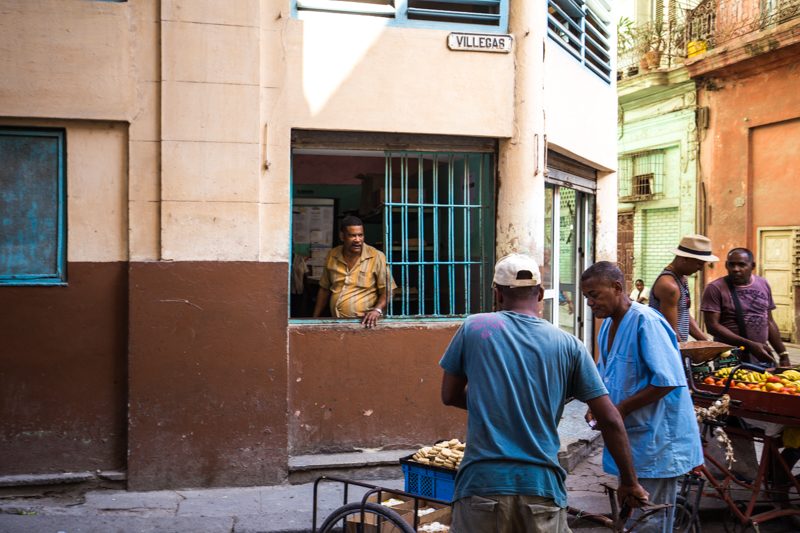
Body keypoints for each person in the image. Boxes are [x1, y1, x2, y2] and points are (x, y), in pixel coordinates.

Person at [440, 253, 648, 533]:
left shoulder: (476, 328)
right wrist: (629, 481)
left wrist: (494, 405)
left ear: (498, 294)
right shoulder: (569, 344)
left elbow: (449, 395)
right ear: (539, 294)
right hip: (541, 487)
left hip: (481, 484)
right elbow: (610, 419)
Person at [582, 261, 703, 533]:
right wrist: (597, 407)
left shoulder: (645, 321)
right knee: (636, 517)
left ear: (616, 287)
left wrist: (621, 409)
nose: (589, 303)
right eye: (586, 297)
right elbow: (607, 377)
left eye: (594, 295)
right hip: (635, 441)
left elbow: (668, 381)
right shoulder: (607, 327)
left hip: (658, 441)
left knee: (651, 522)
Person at [701, 247, 790, 367]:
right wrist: (750, 345)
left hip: (761, 354)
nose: (736, 269)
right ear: (726, 265)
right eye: (731, 265)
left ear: (752, 266)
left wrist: (783, 354)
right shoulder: (715, 288)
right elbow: (713, 327)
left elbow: (769, 321)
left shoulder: (762, 284)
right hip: (729, 357)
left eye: (741, 265)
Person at [312, 216, 396, 328]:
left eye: (360, 235)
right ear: (342, 236)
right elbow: (324, 289)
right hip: (337, 323)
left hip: (365, 324)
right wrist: (314, 318)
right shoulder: (332, 255)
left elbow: (389, 289)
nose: (358, 240)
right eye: (352, 236)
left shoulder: (376, 256)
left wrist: (377, 310)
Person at [649, 234, 718, 342]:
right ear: (684, 258)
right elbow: (670, 330)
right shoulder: (669, 285)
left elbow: (684, 315)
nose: (700, 269)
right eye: (699, 264)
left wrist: (707, 342)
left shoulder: (682, 278)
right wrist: (684, 353)